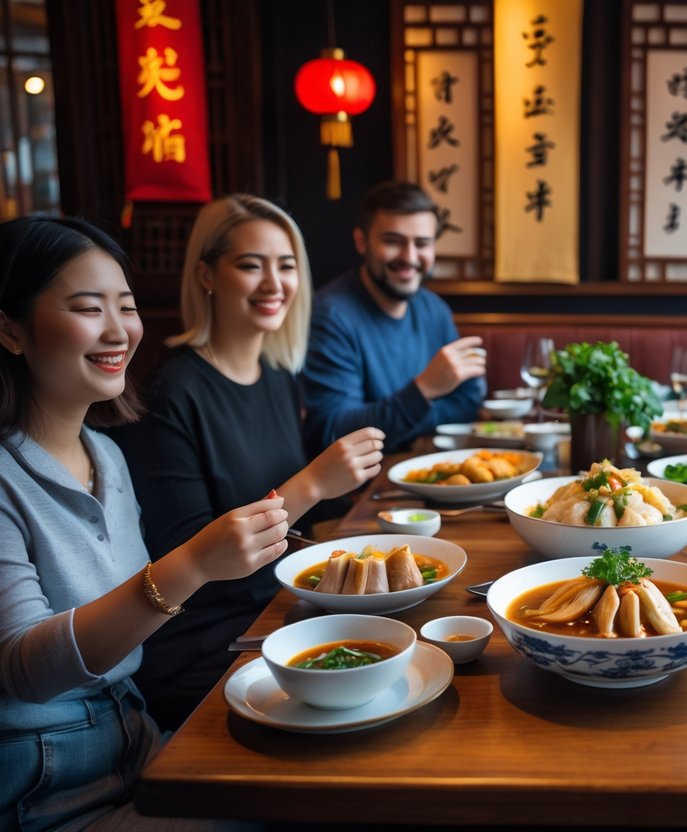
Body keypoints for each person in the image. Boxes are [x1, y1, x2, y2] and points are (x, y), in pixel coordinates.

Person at [0, 215, 282, 830]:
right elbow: (25, 668)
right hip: (45, 781)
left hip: (136, 735)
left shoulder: (108, 455)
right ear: (11, 330)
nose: (117, 329)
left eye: (124, 306)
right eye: (86, 306)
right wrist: (194, 565)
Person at [112, 195, 385, 729]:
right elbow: (193, 562)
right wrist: (312, 483)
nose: (273, 283)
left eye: (286, 266)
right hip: (206, 642)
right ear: (206, 274)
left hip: (278, 611)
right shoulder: (172, 392)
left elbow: (297, 531)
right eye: (250, 265)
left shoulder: (276, 373)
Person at [301, 181, 485, 455]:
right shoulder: (331, 317)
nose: (409, 257)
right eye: (393, 241)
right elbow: (333, 431)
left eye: (422, 243)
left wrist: (404, 421)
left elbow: (468, 403)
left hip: (427, 466)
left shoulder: (434, 310)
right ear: (362, 242)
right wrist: (423, 390)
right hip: (362, 490)